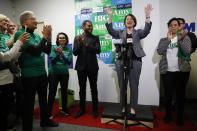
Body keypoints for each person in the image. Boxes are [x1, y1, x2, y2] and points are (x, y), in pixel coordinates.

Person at [105, 4, 152, 118]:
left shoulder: (138, 33)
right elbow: (110, 30)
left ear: (134, 22)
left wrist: (147, 16)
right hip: (121, 61)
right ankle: (123, 107)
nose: (129, 20)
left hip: (135, 62)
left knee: (134, 86)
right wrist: (110, 16)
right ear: (125, 22)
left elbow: (146, 30)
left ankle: (132, 108)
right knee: (122, 86)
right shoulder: (120, 33)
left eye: (131, 19)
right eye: (127, 19)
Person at [14, 11, 58, 131]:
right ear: (24, 22)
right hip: (29, 76)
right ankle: (27, 128)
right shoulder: (20, 33)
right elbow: (36, 51)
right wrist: (44, 37)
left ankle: (45, 121)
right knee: (28, 104)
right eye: (32, 19)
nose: (35, 21)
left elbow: (47, 51)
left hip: (41, 73)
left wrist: (49, 38)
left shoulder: (36, 35)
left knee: (44, 100)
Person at [157, 17, 191, 126]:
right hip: (167, 72)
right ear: (168, 27)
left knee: (180, 95)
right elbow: (160, 51)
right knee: (168, 95)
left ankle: (180, 117)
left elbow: (186, 52)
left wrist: (180, 39)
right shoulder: (163, 39)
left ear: (179, 27)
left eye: (175, 25)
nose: (173, 27)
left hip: (182, 71)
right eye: (171, 25)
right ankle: (168, 115)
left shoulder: (185, 38)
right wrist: (168, 40)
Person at [0, 14, 29, 131]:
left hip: (9, 75)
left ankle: (8, 124)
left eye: (8, 21)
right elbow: (5, 58)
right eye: (4, 21)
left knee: (7, 104)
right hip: (2, 76)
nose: (7, 23)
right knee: (3, 106)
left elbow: (10, 57)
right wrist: (18, 42)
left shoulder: (4, 36)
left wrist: (20, 48)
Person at [73, 20, 101, 118]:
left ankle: (95, 110)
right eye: (88, 26)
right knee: (82, 89)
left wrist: (86, 45)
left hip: (92, 67)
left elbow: (98, 50)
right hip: (80, 67)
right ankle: (82, 109)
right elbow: (75, 52)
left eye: (91, 26)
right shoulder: (77, 38)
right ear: (83, 27)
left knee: (94, 89)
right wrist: (80, 44)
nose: (90, 28)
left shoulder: (95, 38)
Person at [47, 32, 72, 118]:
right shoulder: (54, 47)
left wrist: (62, 54)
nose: (62, 39)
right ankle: (48, 112)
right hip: (53, 73)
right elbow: (52, 61)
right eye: (60, 38)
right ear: (57, 39)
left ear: (66, 40)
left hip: (64, 73)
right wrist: (58, 54)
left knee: (64, 92)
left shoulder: (68, 49)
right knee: (52, 93)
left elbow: (69, 62)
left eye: (63, 38)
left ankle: (64, 109)